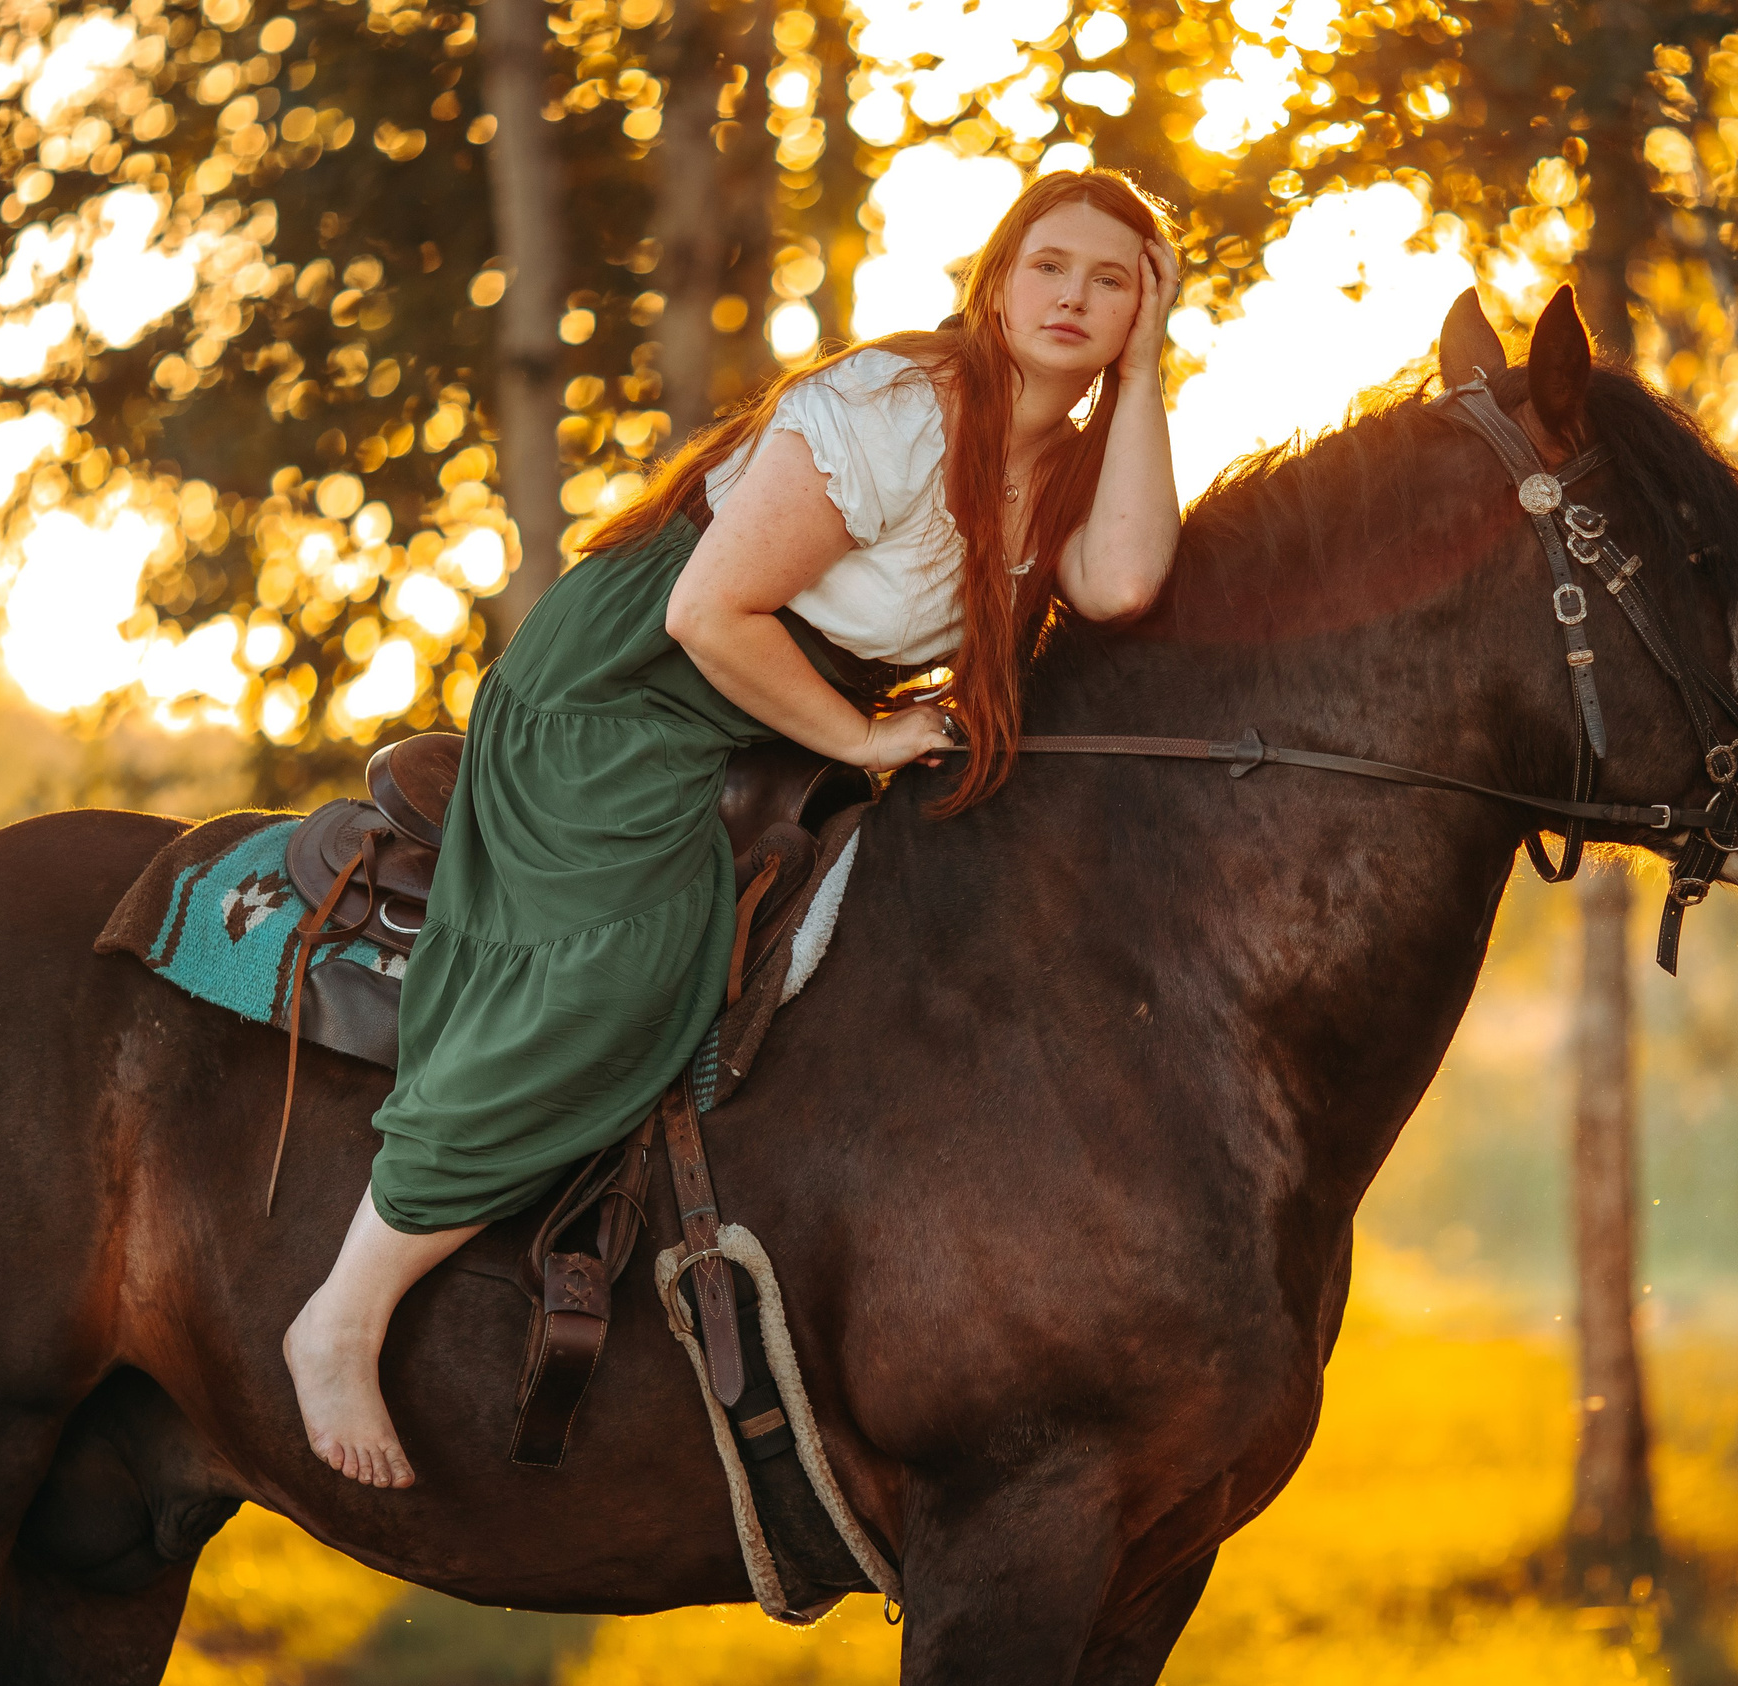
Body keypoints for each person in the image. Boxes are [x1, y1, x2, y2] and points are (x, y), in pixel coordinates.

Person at [283, 169, 1187, 1487]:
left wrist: (1151, 371)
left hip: (764, 711)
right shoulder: (894, 409)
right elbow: (708, 613)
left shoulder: (1076, 463)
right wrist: (868, 738)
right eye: (1050, 265)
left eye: (1115, 281)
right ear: (997, 281)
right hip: (629, 686)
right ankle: (344, 1310)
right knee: (630, 958)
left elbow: (1121, 583)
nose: (1075, 297)